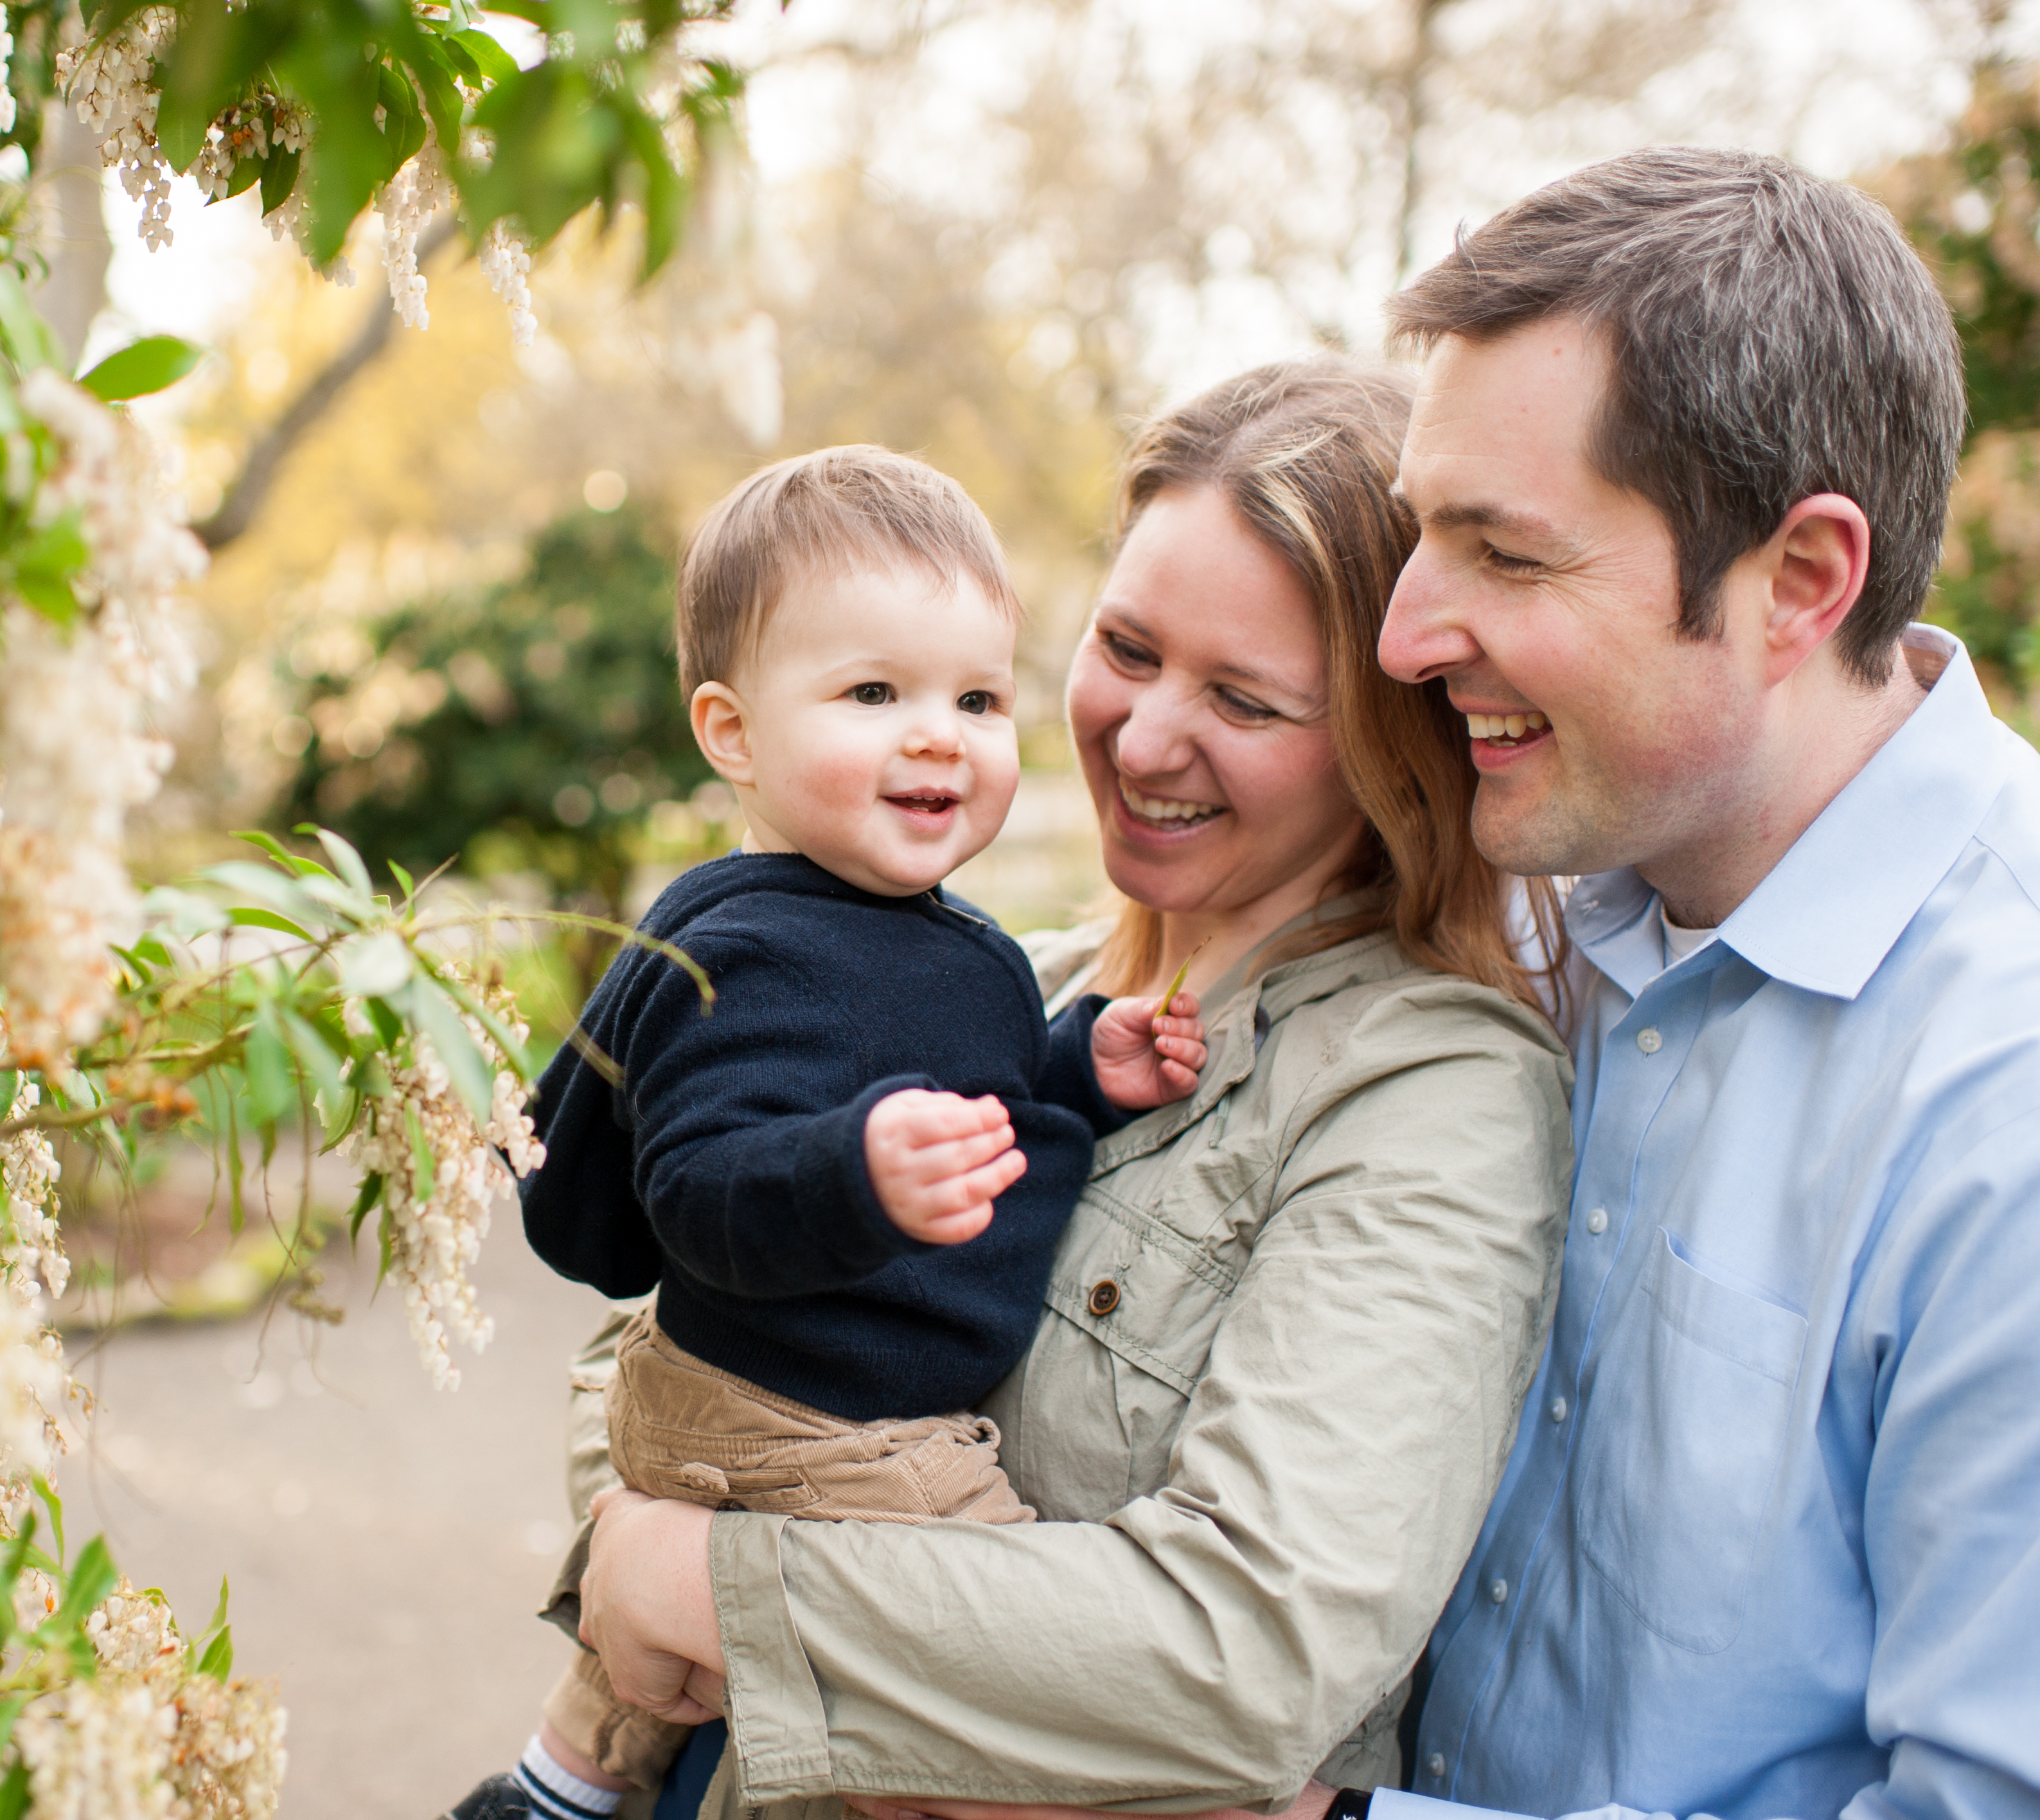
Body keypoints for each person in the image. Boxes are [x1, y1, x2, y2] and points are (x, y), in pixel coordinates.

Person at [562, 359, 1576, 1820]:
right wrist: (635, 1562)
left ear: (1381, 743)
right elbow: (639, 1340)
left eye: (1246, 698)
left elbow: (1241, 1660)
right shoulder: (994, 981)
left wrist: (700, 1585)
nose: (1147, 738)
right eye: (1127, 647)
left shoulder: (1425, 1087)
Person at [1356, 148, 2040, 1820]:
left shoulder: (2001, 1096)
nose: (1401, 635)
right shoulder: (1518, 928)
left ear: (1799, 581)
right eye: (1416, 536)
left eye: (1505, 558)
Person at [452, 448, 1212, 1820]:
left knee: (653, 1678)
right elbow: (695, 1185)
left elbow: (959, 1097)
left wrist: (1076, 1073)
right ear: (731, 733)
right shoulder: (750, 955)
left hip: (757, 1390)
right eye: (873, 694)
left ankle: (556, 1788)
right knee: (987, 1647)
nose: (940, 735)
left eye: (976, 697)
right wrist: (850, 1173)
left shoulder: (922, 938)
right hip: (815, 1416)